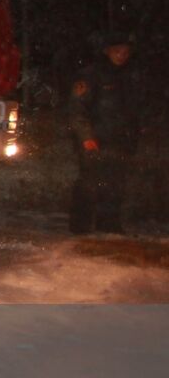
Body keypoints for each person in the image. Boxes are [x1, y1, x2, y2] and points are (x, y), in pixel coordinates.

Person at [68, 30, 142, 235]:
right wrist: (87, 138)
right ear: (107, 51)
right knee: (89, 184)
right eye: (117, 51)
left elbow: (133, 111)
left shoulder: (129, 76)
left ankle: (109, 224)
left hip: (120, 141)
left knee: (115, 184)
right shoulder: (90, 75)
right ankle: (80, 227)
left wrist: (133, 138)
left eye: (126, 51)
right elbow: (77, 111)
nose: (122, 55)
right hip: (94, 140)